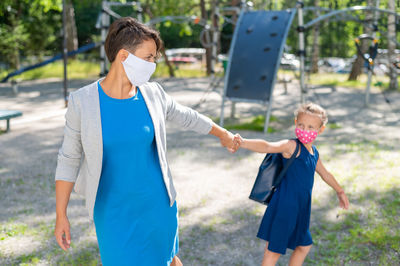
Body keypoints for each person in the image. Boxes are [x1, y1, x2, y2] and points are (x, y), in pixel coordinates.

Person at [54, 17, 238, 266]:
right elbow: (68, 159)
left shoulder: (153, 94)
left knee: (167, 259)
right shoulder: (82, 102)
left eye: (155, 57)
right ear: (123, 56)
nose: (153, 64)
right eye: (149, 57)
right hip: (112, 212)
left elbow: (188, 117)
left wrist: (223, 134)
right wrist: (60, 214)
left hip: (156, 204)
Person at [233, 102, 349, 266]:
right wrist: (242, 142)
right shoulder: (291, 146)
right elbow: (267, 145)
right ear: (295, 123)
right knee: (273, 252)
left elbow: (325, 174)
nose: (305, 130)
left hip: (301, 208)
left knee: (304, 245)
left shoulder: (314, 153)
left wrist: (340, 191)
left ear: (320, 130)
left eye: (310, 127)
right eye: (301, 125)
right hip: (285, 207)